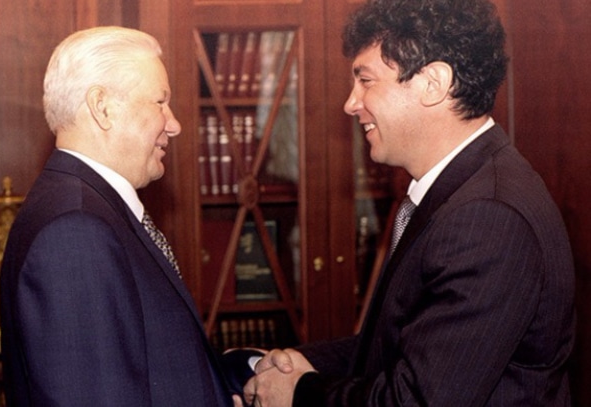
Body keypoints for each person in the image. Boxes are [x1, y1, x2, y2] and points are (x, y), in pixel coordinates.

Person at [242, 0, 576, 406]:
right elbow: (396, 347)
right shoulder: (461, 191)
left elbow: (418, 399)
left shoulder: (487, 217)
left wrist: (300, 393)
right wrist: (301, 363)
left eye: (366, 80)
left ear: (433, 83)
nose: (351, 103)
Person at [0, 26, 233, 406]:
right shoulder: (75, 233)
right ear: (102, 107)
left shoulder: (87, 209)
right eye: (160, 102)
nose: (174, 124)